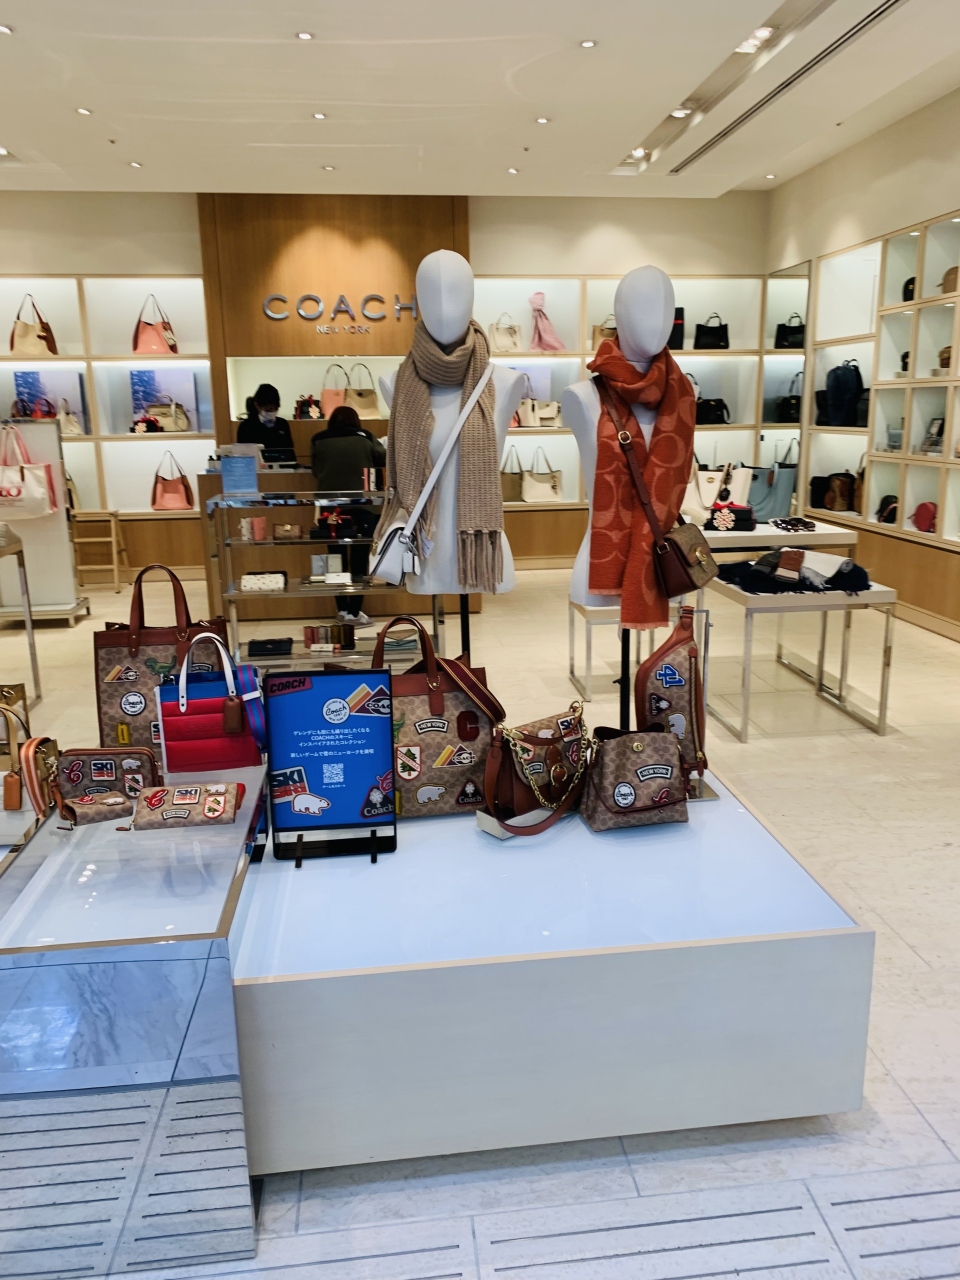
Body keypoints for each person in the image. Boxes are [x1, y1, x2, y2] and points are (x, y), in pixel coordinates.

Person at [311, 406, 386, 625]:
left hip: (330, 509)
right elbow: (382, 459)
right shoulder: (365, 437)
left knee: (336, 561)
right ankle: (355, 612)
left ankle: (342, 611)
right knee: (360, 562)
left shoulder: (318, 439)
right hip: (362, 506)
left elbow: (316, 471)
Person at [236, 383, 296, 463]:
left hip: (282, 467)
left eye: (275, 409)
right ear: (257, 406)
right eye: (268, 410)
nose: (271, 412)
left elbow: (290, 453)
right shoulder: (246, 427)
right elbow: (243, 457)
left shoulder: (282, 424)